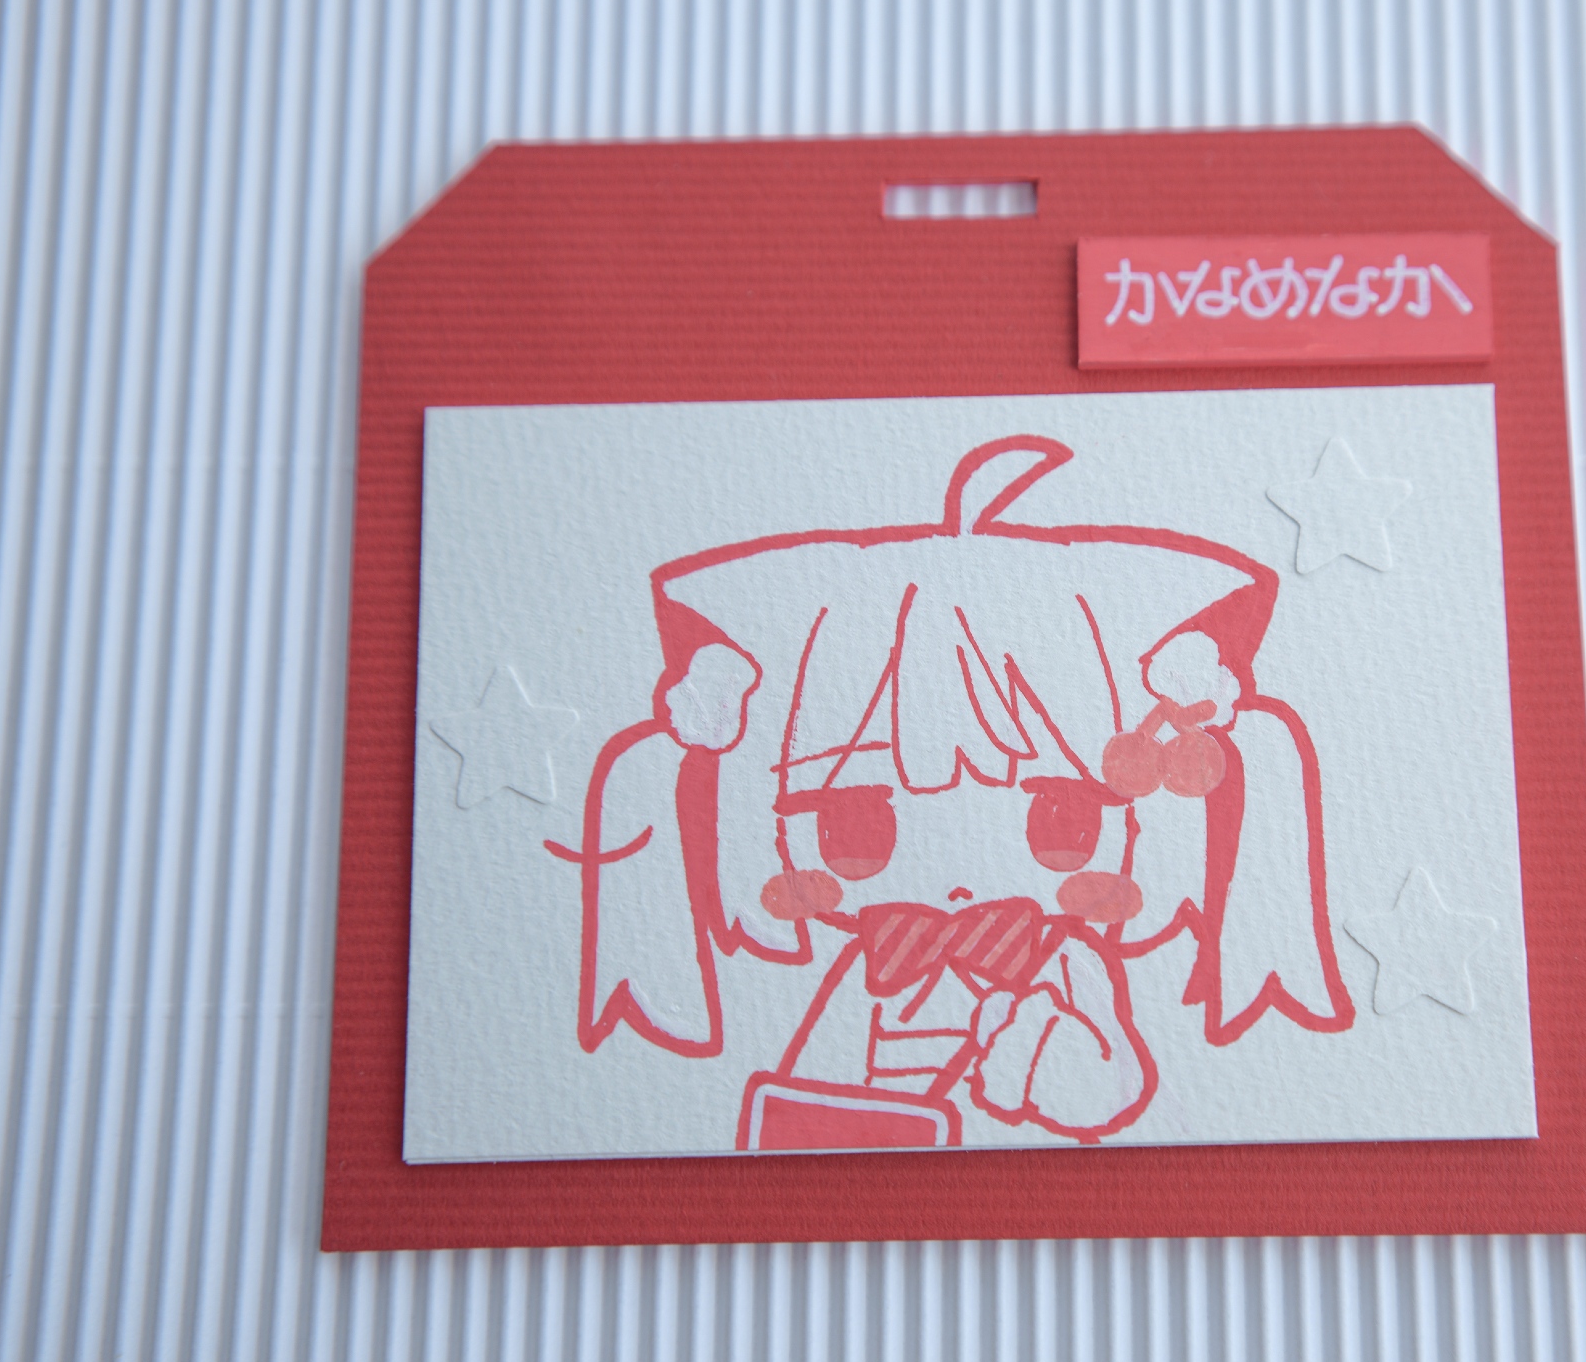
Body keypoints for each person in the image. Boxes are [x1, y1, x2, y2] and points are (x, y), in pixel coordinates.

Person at [551, 434, 1354, 1150]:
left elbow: (1113, 1089)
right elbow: (811, 1103)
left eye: (1059, 823)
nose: (960, 883)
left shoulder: (1067, 961)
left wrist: (1055, 1070)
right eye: (855, 828)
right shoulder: (872, 968)